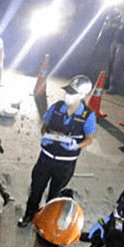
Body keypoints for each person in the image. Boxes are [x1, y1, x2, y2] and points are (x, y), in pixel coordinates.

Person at [18, 75, 96, 227]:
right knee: (36, 189)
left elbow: (90, 138)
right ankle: (28, 216)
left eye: (72, 93)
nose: (67, 95)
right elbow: (45, 126)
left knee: (54, 195)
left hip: (65, 164)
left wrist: (76, 145)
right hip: (45, 159)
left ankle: (46, 221)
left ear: (82, 95)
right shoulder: (56, 107)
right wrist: (45, 135)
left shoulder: (88, 115)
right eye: (68, 91)